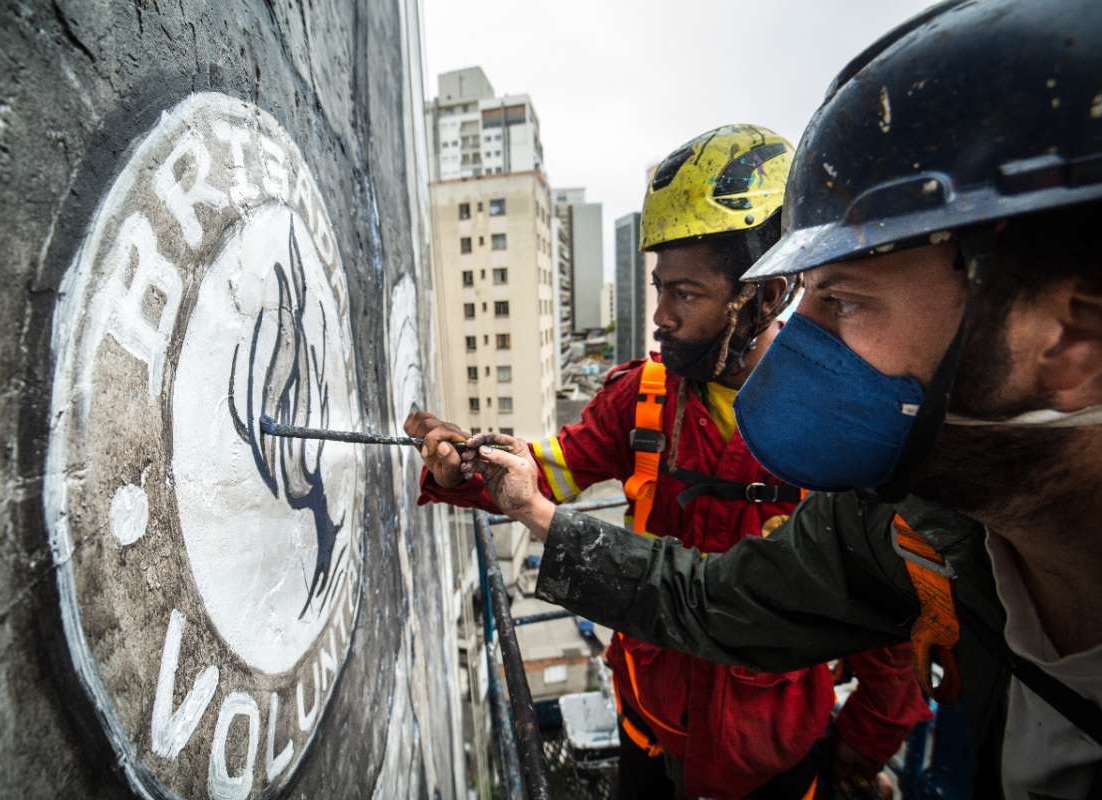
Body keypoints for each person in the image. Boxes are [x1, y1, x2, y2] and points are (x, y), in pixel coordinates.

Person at [459, 1, 1102, 797]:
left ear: (1069, 340)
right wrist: (498, 482)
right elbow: (710, 597)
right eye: (814, 297)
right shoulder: (903, 527)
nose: (808, 339)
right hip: (657, 740)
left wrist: (849, 761)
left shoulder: (885, 508)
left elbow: (889, 674)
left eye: (844, 302)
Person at [405, 126, 929, 799]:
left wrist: (857, 751)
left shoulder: (839, 432)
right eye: (659, 289)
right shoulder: (642, 401)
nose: (661, 317)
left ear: (766, 294)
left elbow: (888, 638)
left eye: (685, 294)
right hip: (651, 732)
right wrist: (469, 467)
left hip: (773, 764)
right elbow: (551, 470)